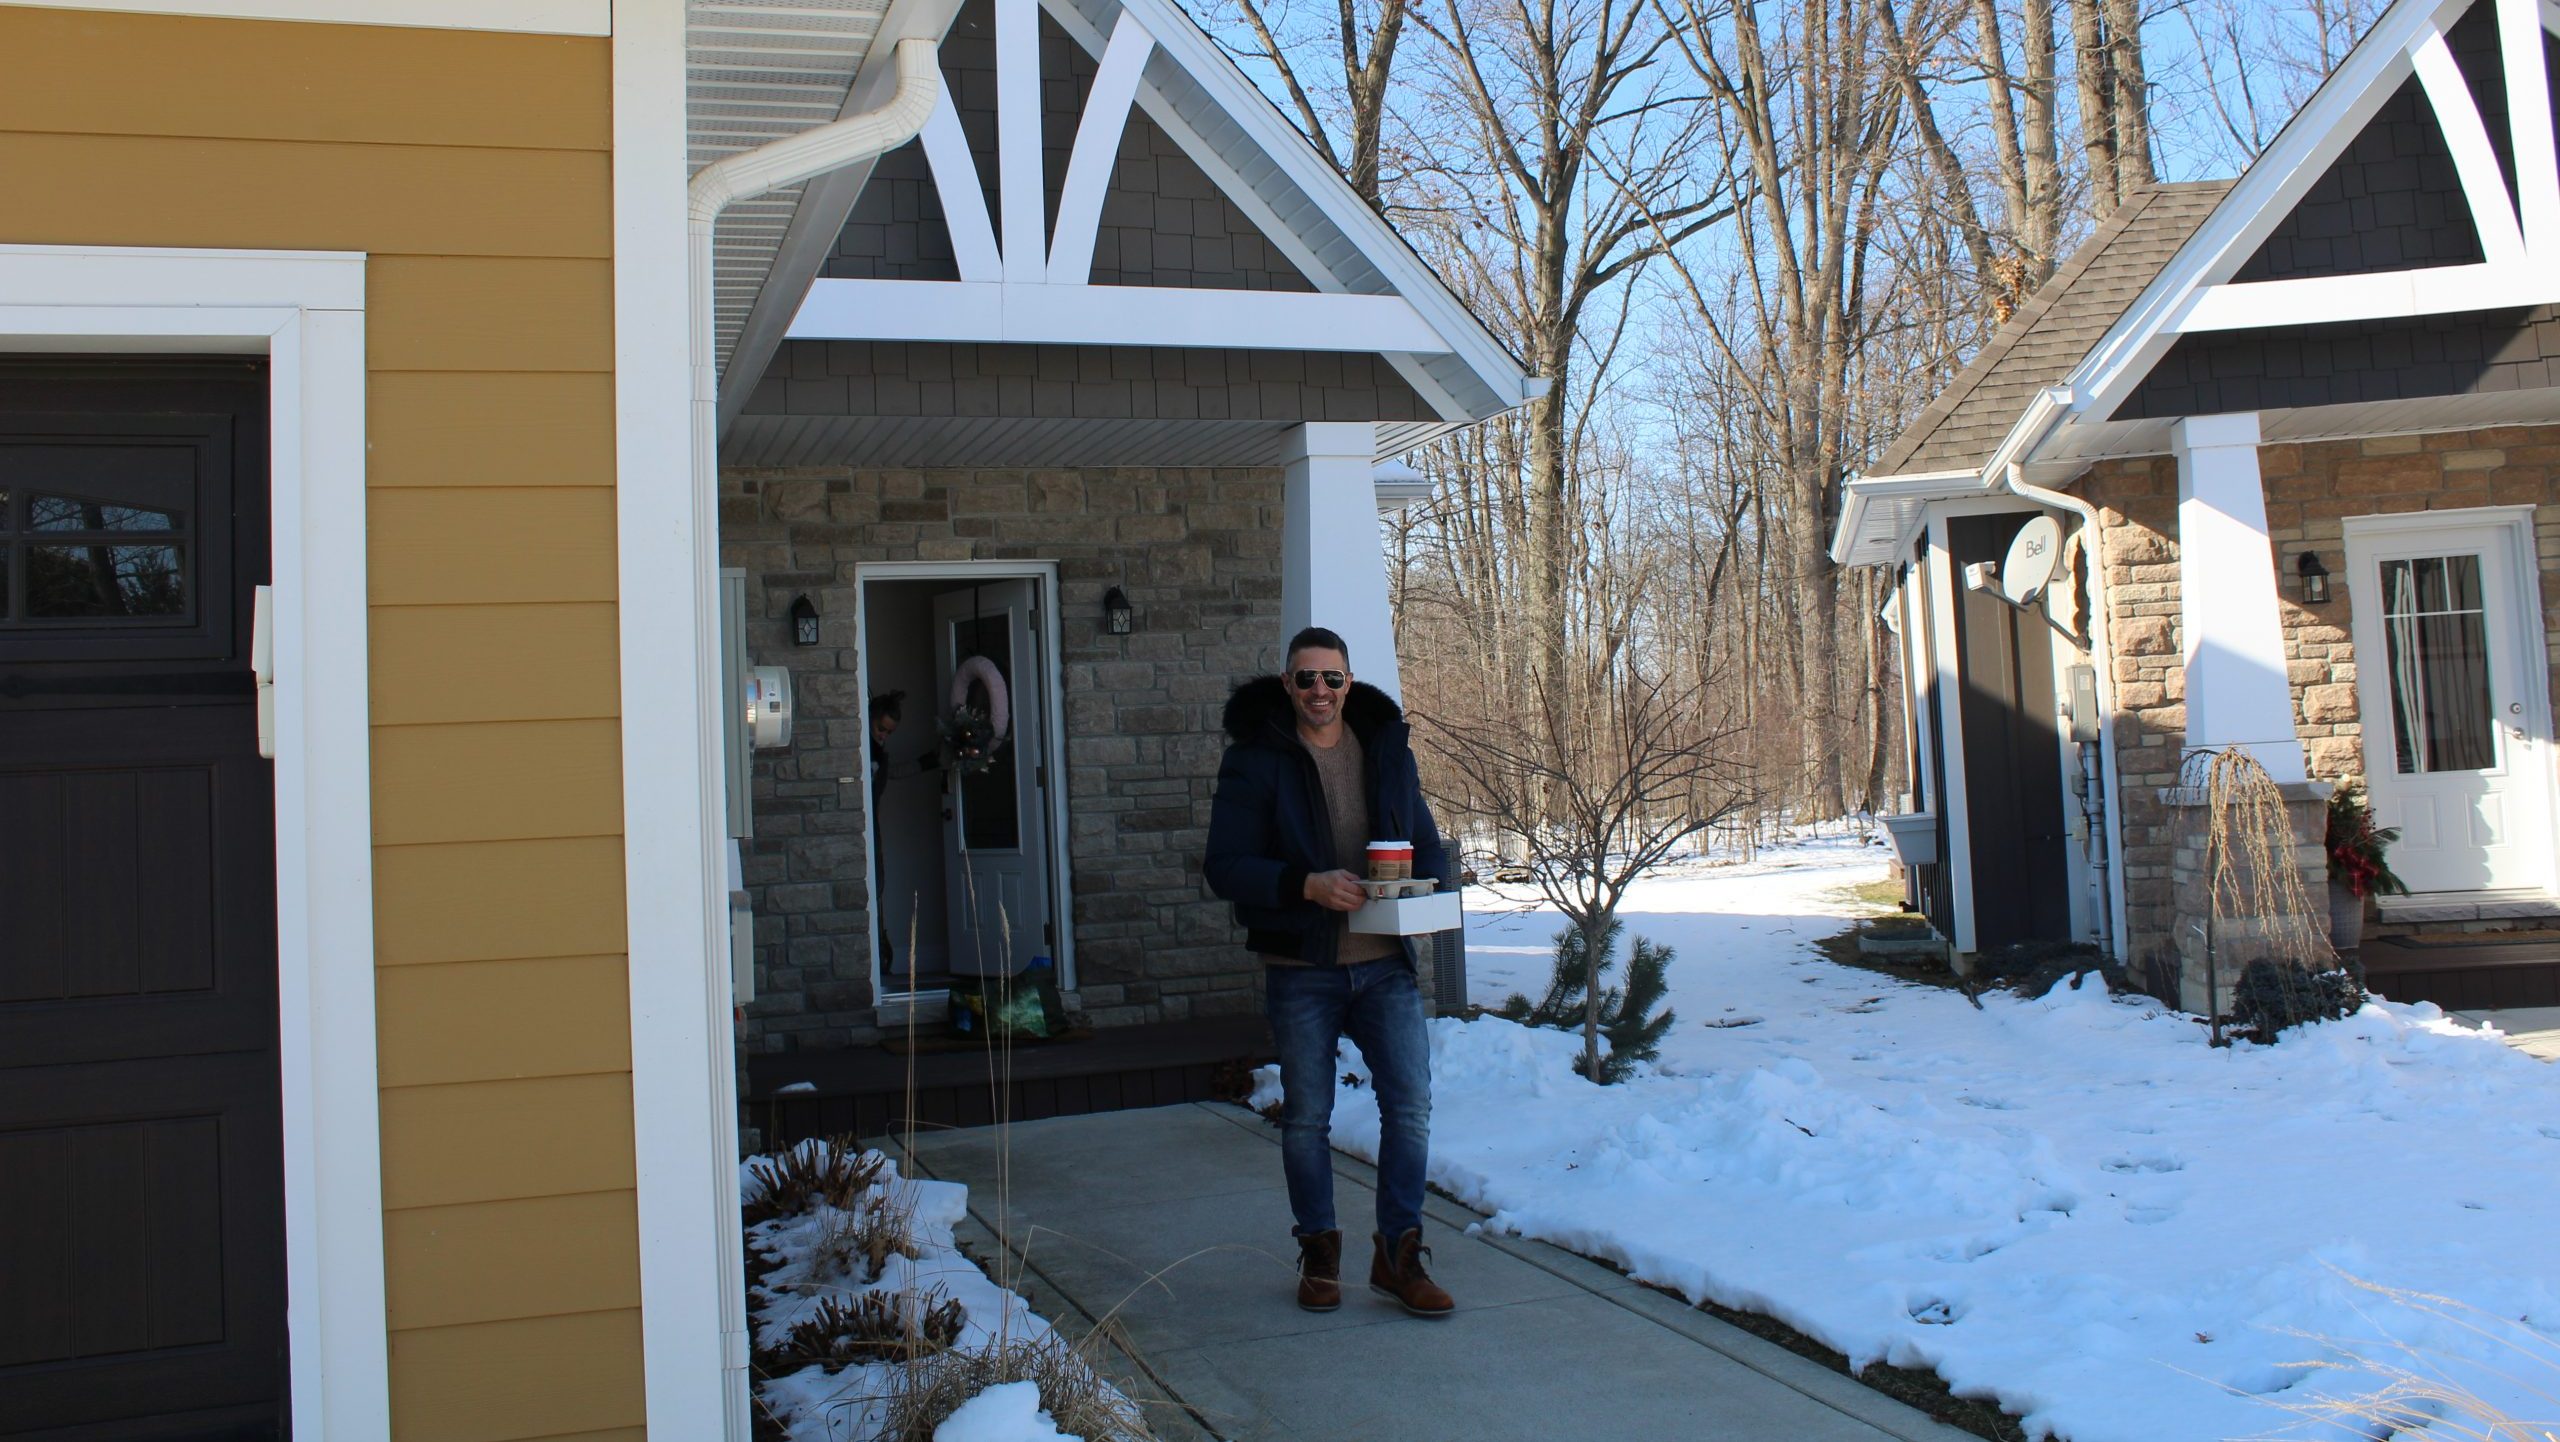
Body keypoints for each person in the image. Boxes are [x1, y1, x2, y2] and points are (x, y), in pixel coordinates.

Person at [1204, 626, 1456, 1318]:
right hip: (1302, 967)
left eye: (1333, 678)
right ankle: (1319, 1252)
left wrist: (1421, 892)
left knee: (1410, 1109)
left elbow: (1427, 846)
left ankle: (1398, 1254)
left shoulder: (1385, 750)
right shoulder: (1257, 761)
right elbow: (1223, 867)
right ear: (1288, 684)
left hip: (1384, 967)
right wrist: (1303, 885)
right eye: (1307, 678)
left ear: (1350, 683)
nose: (1320, 690)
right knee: (1308, 1119)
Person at [868, 691, 939, 979]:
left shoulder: (878, 753)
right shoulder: (863, 749)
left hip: (875, 825)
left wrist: (929, 762)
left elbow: (892, 773)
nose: (884, 735)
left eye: (889, 732)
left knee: (879, 882)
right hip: (866, 826)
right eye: (880, 729)